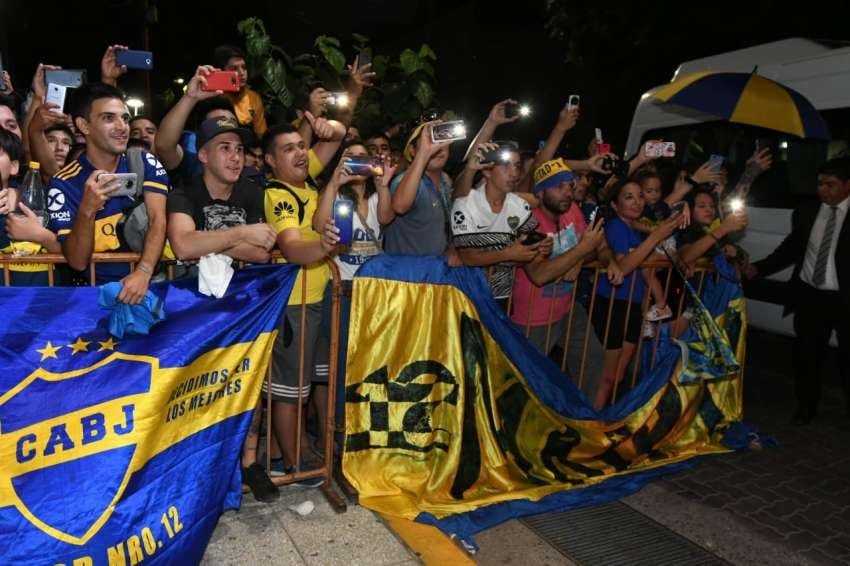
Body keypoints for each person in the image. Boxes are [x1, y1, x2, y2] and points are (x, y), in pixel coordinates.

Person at [166, 115, 278, 501]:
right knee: (196, 388)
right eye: (225, 148)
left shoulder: (250, 193)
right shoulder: (184, 193)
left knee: (250, 383)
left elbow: (262, 253)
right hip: (194, 312)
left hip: (244, 309)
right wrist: (240, 233)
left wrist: (210, 240)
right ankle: (197, 464)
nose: (235, 157)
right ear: (205, 153)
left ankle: (249, 464)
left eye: (241, 149)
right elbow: (183, 246)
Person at [262, 115, 345, 484]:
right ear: (271, 160)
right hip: (295, 304)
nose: (299, 153)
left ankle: (300, 452)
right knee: (289, 391)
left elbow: (337, 137)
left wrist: (331, 127)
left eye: (301, 146)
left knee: (313, 382)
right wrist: (325, 246)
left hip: (321, 297)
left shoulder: (307, 181)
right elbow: (293, 248)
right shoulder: (278, 195)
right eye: (288, 149)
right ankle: (294, 464)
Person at [745, 157, 850, 425]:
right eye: (819, 184)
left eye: (831, 184)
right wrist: (758, 268)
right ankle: (806, 408)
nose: (823, 190)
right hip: (810, 295)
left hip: (843, 300)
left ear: (848, 185)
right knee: (806, 356)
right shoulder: (806, 211)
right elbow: (790, 250)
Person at [511, 159, 623, 394]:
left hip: (568, 309)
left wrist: (607, 261)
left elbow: (598, 243)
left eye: (570, 186)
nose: (567, 193)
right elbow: (539, 275)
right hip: (534, 319)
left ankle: (582, 422)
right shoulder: (527, 221)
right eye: (559, 187)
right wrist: (579, 252)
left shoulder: (571, 210)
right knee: (527, 383)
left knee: (592, 359)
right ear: (540, 193)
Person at [312, 140, 396, 451]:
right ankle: (339, 438)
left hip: (374, 296)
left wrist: (383, 184)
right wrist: (334, 182)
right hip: (342, 296)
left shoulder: (375, 199)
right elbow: (318, 225)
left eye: (365, 158)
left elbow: (386, 218)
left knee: (371, 365)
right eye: (353, 158)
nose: (360, 162)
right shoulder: (336, 198)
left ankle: (367, 433)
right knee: (342, 368)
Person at [48, 82, 168, 300]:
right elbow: (77, 261)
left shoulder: (144, 162)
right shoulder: (63, 183)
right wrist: (87, 209)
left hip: (149, 288)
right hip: (95, 298)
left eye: (124, 118)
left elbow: (158, 219)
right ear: (84, 125)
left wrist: (143, 272)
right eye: (108, 118)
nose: (122, 126)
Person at [592, 180, 682, 410]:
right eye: (629, 197)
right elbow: (623, 267)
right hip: (612, 303)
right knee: (606, 376)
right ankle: (592, 426)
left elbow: (647, 269)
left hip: (632, 305)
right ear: (615, 203)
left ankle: (605, 421)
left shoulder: (634, 230)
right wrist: (655, 237)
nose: (637, 202)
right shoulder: (615, 227)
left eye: (640, 196)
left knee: (619, 374)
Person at [451, 143, 543, 307]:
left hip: (503, 296)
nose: (514, 173)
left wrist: (540, 248)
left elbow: (524, 253)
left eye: (517, 166)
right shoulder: (464, 205)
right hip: (467, 296)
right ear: (487, 171)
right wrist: (508, 254)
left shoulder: (520, 206)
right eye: (506, 166)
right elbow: (468, 257)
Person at [386, 121, 460, 263]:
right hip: (406, 280)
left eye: (441, 140)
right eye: (429, 141)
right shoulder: (406, 182)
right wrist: (424, 154)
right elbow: (399, 207)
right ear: (413, 151)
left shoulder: (444, 184)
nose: (437, 148)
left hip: (434, 276)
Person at [157, 65, 238, 185]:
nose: (226, 126)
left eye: (231, 121)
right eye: (218, 122)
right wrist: (190, 97)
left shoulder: (249, 177)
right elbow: (164, 146)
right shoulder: (192, 165)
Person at [213, 45, 267, 136]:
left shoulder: (254, 97)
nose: (242, 73)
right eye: (234, 69)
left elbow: (261, 133)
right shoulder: (215, 97)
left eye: (244, 67)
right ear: (222, 73)